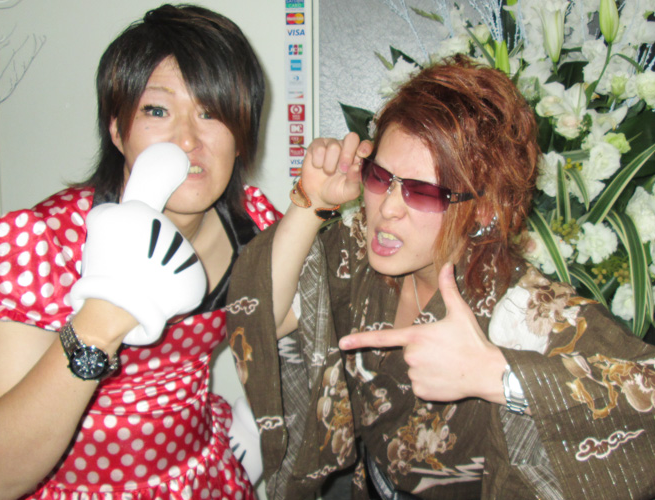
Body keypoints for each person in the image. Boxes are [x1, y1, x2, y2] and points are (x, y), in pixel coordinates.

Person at [226, 55, 655, 499]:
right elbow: (262, 319)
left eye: (424, 192)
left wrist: (498, 375)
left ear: (484, 208)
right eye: (381, 177)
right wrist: (311, 202)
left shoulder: (523, 310)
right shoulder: (359, 248)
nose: (387, 208)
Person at [0, 4, 279, 499]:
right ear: (116, 129)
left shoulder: (249, 223)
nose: (188, 139)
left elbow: (292, 325)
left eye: (211, 112)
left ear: (241, 136)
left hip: (206, 478)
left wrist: (256, 430)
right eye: (157, 110)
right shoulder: (45, 241)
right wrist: (100, 320)